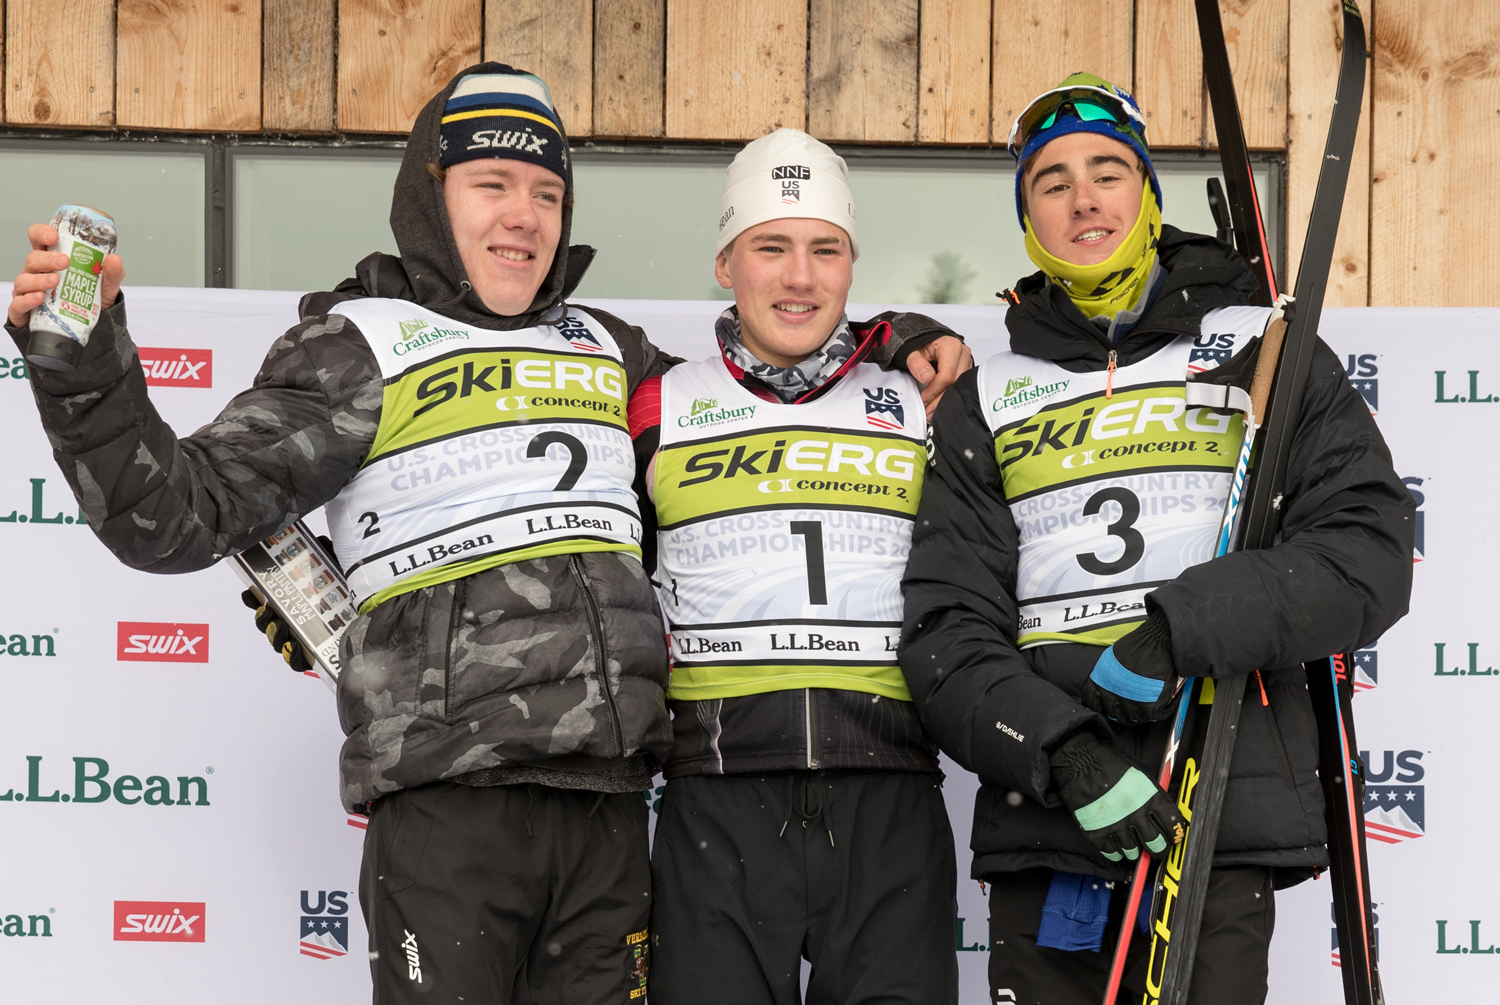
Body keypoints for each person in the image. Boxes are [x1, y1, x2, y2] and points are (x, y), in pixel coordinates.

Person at [6, 64, 968, 1004]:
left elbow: (760, 386)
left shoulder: (608, 348)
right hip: (449, 806)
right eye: (492, 185)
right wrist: (82, 360)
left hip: (608, 814)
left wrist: (894, 338)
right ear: (432, 198)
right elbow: (174, 515)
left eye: (547, 192)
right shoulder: (358, 344)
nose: (524, 215)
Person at [898, 73, 1414, 1005]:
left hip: (1218, 796)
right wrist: (1062, 753)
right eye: (1050, 183)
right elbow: (945, 632)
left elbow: (1366, 550)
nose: (1083, 198)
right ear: (1028, 221)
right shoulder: (989, 395)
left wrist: (1181, 628)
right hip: (1049, 816)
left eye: (1107, 171)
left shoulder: (1263, 348)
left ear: (1147, 195)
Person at [629, 127, 964, 1005]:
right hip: (717, 804)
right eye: (770, 247)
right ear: (725, 261)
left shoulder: (919, 396)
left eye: (826, 249)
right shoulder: (659, 400)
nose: (800, 276)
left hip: (891, 796)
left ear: (853, 265)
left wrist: (913, 334)